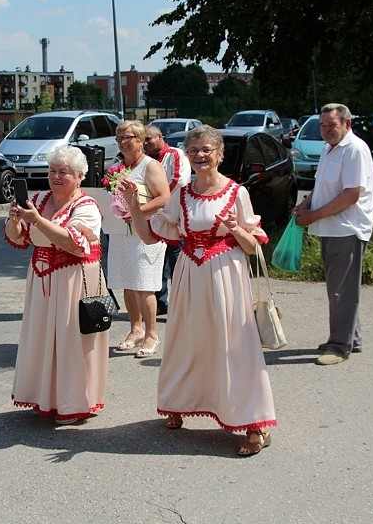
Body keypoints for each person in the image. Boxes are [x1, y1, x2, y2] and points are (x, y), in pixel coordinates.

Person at [121, 124, 277, 456]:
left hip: (226, 276)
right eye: (193, 151)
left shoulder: (237, 193)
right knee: (188, 341)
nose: (200, 156)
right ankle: (180, 403)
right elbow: (151, 236)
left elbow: (253, 248)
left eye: (207, 150)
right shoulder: (182, 194)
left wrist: (237, 230)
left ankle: (253, 423)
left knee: (234, 345)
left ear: (219, 154)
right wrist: (134, 206)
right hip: (190, 275)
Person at [4, 145, 108, 424]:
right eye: (52, 171)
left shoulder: (86, 206)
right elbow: (19, 239)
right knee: (42, 337)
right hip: (41, 278)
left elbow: (72, 243)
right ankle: (46, 397)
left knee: (70, 340)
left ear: (80, 176)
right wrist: (14, 221)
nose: (56, 176)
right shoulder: (37, 199)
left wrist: (37, 220)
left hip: (75, 278)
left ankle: (73, 403)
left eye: (64, 172)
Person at [292, 103, 373, 366]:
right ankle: (352, 337)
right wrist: (306, 205)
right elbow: (323, 187)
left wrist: (313, 215)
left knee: (341, 290)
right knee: (339, 288)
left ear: (347, 124)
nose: (326, 131)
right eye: (323, 126)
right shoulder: (331, 149)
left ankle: (340, 346)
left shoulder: (354, 150)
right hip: (330, 227)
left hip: (346, 229)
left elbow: (351, 195)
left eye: (332, 125)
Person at [106, 120, 171, 358]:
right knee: (127, 282)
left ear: (141, 140)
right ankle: (135, 329)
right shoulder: (117, 167)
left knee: (145, 285)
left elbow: (164, 198)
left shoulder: (150, 166)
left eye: (128, 137)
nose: (123, 142)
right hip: (121, 233)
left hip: (146, 232)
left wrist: (136, 213)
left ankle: (152, 334)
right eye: (119, 138)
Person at [143, 123, 190, 315]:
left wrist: (157, 197)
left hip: (174, 219)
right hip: (155, 220)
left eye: (148, 139)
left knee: (177, 264)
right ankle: (161, 303)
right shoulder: (146, 160)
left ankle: (182, 305)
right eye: (143, 140)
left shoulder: (175, 155)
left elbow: (179, 180)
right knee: (158, 264)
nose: (145, 143)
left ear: (160, 137)